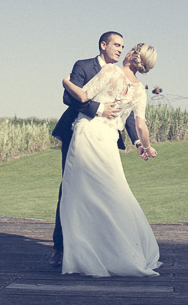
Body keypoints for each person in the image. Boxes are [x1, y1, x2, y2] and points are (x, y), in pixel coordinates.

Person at [59, 43, 161, 277]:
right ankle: (114, 249)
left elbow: (83, 95)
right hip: (108, 140)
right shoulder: (140, 90)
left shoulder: (111, 71)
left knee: (78, 193)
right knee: (112, 191)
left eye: (129, 48)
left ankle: (88, 253)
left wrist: (66, 82)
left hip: (88, 134)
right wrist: (145, 147)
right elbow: (140, 125)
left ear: (132, 55)